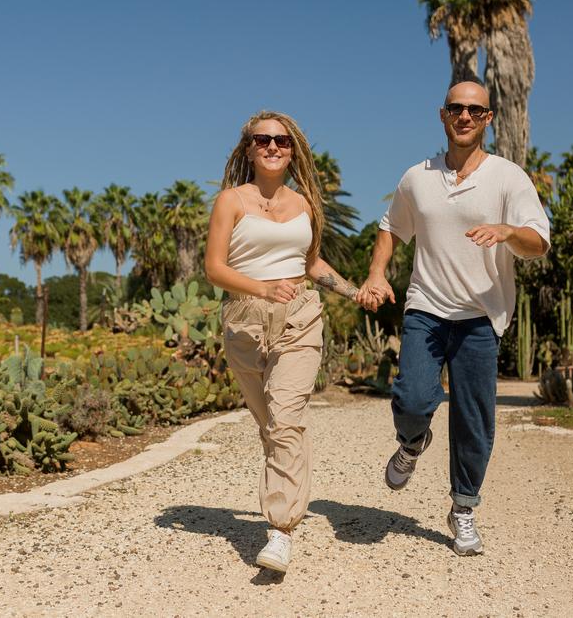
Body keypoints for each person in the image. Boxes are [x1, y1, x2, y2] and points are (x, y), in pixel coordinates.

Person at [357, 81, 550, 556]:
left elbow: (538, 242)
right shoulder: (416, 178)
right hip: (426, 306)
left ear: (488, 119)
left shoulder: (509, 178)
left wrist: (508, 231)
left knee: (474, 419)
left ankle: (462, 508)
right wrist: (377, 273)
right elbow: (390, 228)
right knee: (413, 399)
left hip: (481, 316)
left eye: (474, 110)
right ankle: (411, 441)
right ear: (443, 115)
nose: (464, 116)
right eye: (455, 108)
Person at [205, 110, 366, 573]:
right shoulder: (230, 201)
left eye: (282, 141)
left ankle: (280, 529)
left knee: (286, 417)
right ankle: (287, 495)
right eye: (263, 140)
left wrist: (356, 292)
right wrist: (260, 288)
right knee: (270, 423)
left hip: (299, 317)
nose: (273, 147)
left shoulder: (305, 205)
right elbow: (214, 268)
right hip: (244, 321)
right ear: (249, 148)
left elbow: (311, 263)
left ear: (293, 150)